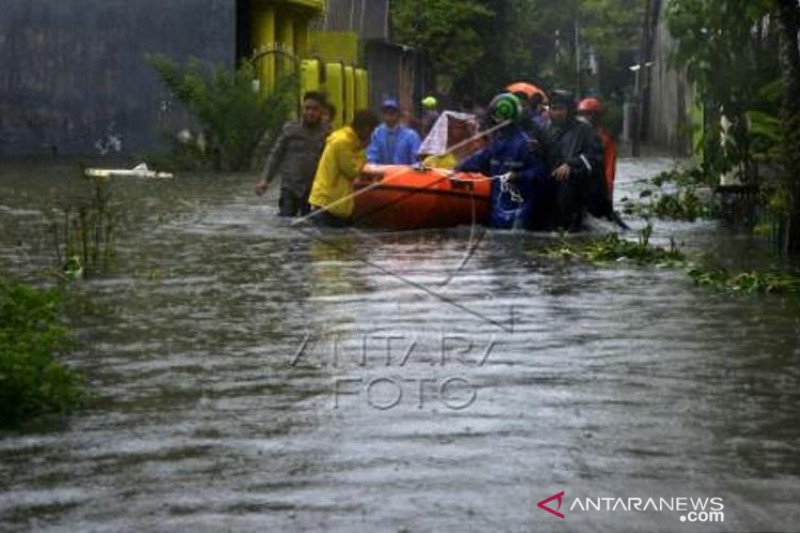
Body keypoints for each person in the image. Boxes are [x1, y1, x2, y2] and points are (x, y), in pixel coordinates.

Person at [454, 93, 549, 230]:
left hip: (520, 210)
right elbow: (478, 159)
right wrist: (457, 167)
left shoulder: (526, 144)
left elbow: (540, 174)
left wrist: (518, 176)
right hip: (498, 209)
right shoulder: (496, 143)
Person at [255, 91, 328, 216]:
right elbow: (275, 155)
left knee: (310, 225)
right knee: (286, 222)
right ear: (302, 109)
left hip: (314, 189)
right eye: (307, 108)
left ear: (321, 111)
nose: (310, 112)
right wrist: (265, 180)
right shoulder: (290, 129)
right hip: (290, 187)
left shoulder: (327, 133)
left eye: (315, 109)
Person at [307, 110, 380, 226]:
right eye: (370, 132)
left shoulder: (348, 141)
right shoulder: (342, 143)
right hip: (328, 205)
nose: (370, 136)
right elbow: (352, 172)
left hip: (335, 204)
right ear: (365, 129)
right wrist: (362, 151)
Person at [546, 90, 606, 231]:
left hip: (577, 185)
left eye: (561, 109)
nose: (557, 113)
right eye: (553, 109)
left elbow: (596, 156)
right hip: (551, 182)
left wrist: (572, 164)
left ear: (570, 110)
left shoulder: (584, 129)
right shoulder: (546, 129)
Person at [577, 97, 617, 200]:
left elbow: (609, 167)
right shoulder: (575, 134)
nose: (585, 118)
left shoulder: (606, 138)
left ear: (597, 116)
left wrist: (608, 191)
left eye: (589, 114)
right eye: (583, 114)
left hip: (597, 186)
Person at [366, 98, 422, 165]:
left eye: (392, 113)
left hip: (404, 174)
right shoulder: (377, 133)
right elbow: (372, 156)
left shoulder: (411, 136)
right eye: (385, 113)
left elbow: (416, 161)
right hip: (382, 174)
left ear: (399, 114)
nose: (388, 117)